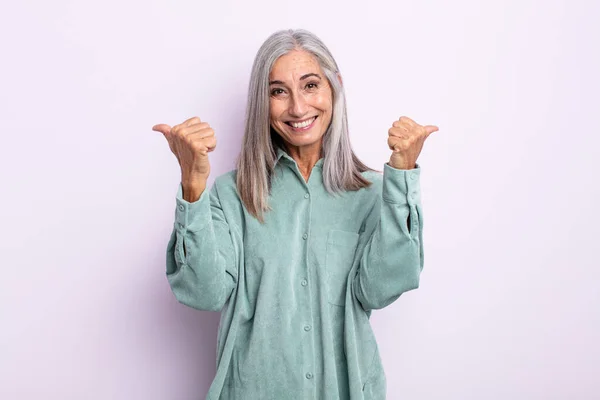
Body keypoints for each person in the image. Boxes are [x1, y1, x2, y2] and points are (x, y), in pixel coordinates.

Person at [152, 28, 438, 400]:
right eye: (278, 91)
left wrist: (401, 179)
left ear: (334, 87)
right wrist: (192, 186)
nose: (298, 108)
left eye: (310, 85)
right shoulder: (229, 194)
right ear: (262, 101)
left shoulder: (373, 193)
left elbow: (381, 289)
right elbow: (204, 294)